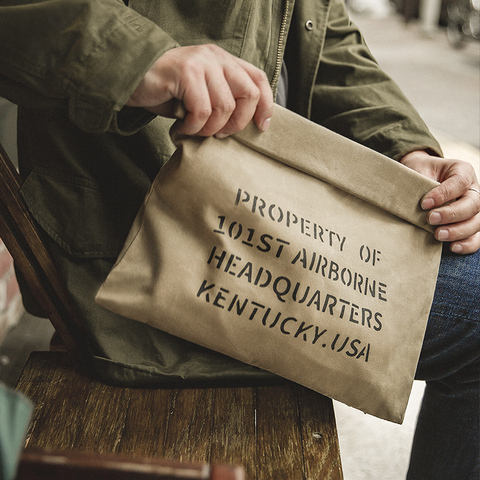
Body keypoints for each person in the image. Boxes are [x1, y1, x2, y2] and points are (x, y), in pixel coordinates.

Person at [0, 1, 478, 478]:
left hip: (258, 206)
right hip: (142, 223)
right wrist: (141, 59)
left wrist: (404, 149)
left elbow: (322, 29)